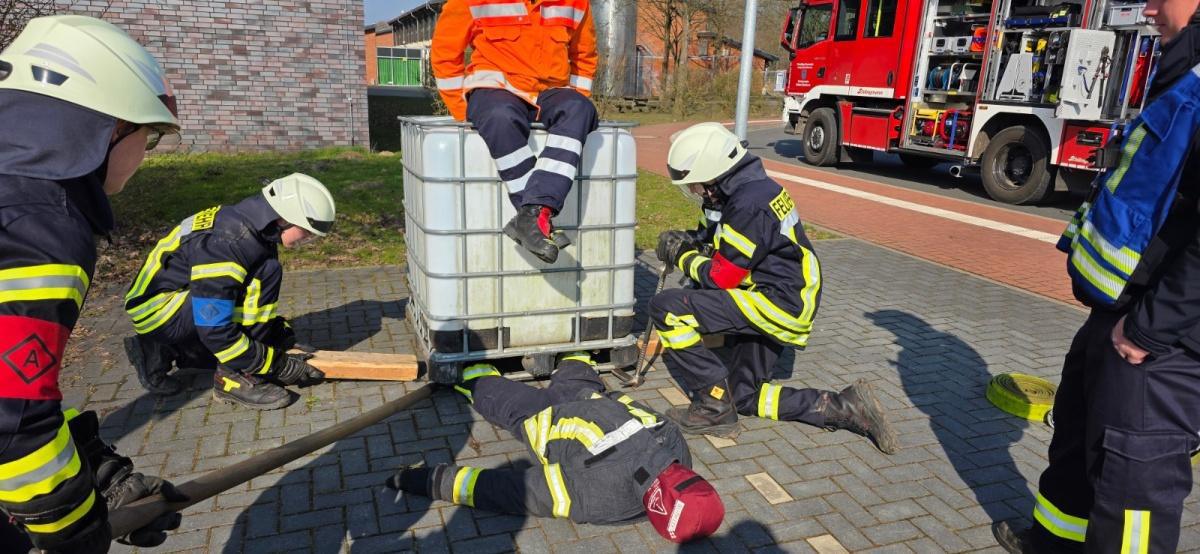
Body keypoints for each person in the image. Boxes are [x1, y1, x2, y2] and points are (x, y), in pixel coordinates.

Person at [993, 1, 1200, 552]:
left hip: (1164, 337)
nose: (1148, 8)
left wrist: (1151, 328)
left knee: (1135, 486)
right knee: (1078, 437)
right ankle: (1054, 543)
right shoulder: (1187, 64)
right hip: (1125, 309)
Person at [0, 15, 184, 551]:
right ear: (111, 127)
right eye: (150, 137)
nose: (145, 154)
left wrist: (91, 466)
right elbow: (12, 425)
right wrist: (75, 523)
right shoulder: (38, 230)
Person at [649, 123, 898, 454]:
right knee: (743, 397)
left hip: (776, 302)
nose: (695, 191)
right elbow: (720, 237)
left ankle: (712, 406)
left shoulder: (749, 203)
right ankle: (845, 407)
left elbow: (721, 278)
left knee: (667, 308)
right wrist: (691, 239)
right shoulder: (745, 190)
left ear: (714, 174)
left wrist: (681, 255)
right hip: (784, 296)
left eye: (696, 184)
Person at [385, 353, 725, 544]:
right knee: (498, 390)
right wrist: (423, 480)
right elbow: (510, 491)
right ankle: (486, 373)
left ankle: (479, 372)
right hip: (562, 410)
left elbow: (510, 490)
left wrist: (429, 481)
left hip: (567, 406)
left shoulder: (676, 449)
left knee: (490, 387)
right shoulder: (601, 498)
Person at [122, 174, 334, 410]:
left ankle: (156, 349)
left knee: (263, 274)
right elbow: (215, 330)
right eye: (308, 233)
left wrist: (275, 337)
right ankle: (232, 378)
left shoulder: (249, 226)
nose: (307, 241)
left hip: (172, 301)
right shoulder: (227, 243)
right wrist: (276, 365)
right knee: (264, 274)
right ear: (285, 218)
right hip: (158, 313)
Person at [431, 0, 599, 264]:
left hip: (550, 91)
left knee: (581, 109)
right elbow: (445, 52)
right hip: (495, 88)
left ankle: (530, 217)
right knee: (500, 116)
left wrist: (577, 96)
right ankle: (537, 215)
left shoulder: (576, 2)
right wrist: (462, 110)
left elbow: (584, 55)